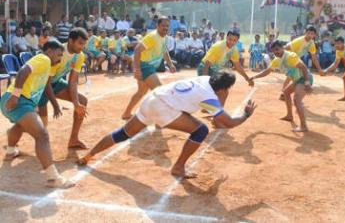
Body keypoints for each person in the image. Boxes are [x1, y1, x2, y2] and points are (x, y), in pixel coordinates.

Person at [77, 71, 257, 178]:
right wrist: (246, 115)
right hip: (164, 107)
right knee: (201, 130)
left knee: (123, 133)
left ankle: (89, 155)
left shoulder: (204, 78)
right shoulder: (209, 97)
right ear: (225, 88)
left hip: (153, 98)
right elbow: (229, 122)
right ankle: (178, 167)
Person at [1, 40, 74, 188]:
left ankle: (10, 151)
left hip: (20, 101)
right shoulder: (43, 59)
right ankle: (53, 178)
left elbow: (46, 86)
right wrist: (15, 96)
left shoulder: (47, 67)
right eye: (59, 55)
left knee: (21, 125)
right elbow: (23, 71)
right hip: (18, 100)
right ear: (50, 51)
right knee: (42, 135)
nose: (60, 59)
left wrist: (54, 104)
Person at [38, 28, 89, 149]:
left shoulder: (79, 56)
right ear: (71, 41)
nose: (82, 47)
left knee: (82, 102)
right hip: (41, 85)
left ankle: (73, 139)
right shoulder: (58, 51)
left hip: (55, 82)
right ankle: (19, 130)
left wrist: (76, 103)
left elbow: (72, 81)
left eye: (84, 44)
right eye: (80, 43)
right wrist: (55, 104)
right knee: (41, 122)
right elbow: (46, 82)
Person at [121, 16, 176, 120]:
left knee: (141, 92)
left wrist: (170, 64)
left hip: (148, 67)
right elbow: (137, 49)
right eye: (163, 25)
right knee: (159, 90)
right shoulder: (152, 36)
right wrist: (136, 69)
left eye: (167, 26)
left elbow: (165, 52)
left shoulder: (165, 38)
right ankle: (160, 117)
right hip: (145, 66)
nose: (165, 28)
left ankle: (126, 113)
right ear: (158, 26)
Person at [251, 40, 312, 132]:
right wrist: (254, 77)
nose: (276, 52)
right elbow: (267, 71)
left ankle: (303, 126)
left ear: (282, 48)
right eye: (274, 51)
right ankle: (289, 116)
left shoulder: (290, 56)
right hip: (297, 79)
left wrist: (307, 83)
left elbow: (303, 67)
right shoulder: (277, 60)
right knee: (286, 92)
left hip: (304, 78)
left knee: (296, 99)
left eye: (277, 49)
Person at [197, 31, 254, 104]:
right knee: (219, 91)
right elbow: (207, 64)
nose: (231, 42)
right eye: (230, 39)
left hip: (215, 70)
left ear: (237, 41)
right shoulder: (218, 47)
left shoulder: (234, 50)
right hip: (205, 68)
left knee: (223, 91)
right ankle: (215, 110)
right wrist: (204, 79)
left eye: (234, 40)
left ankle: (214, 109)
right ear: (226, 38)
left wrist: (247, 78)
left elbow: (237, 66)